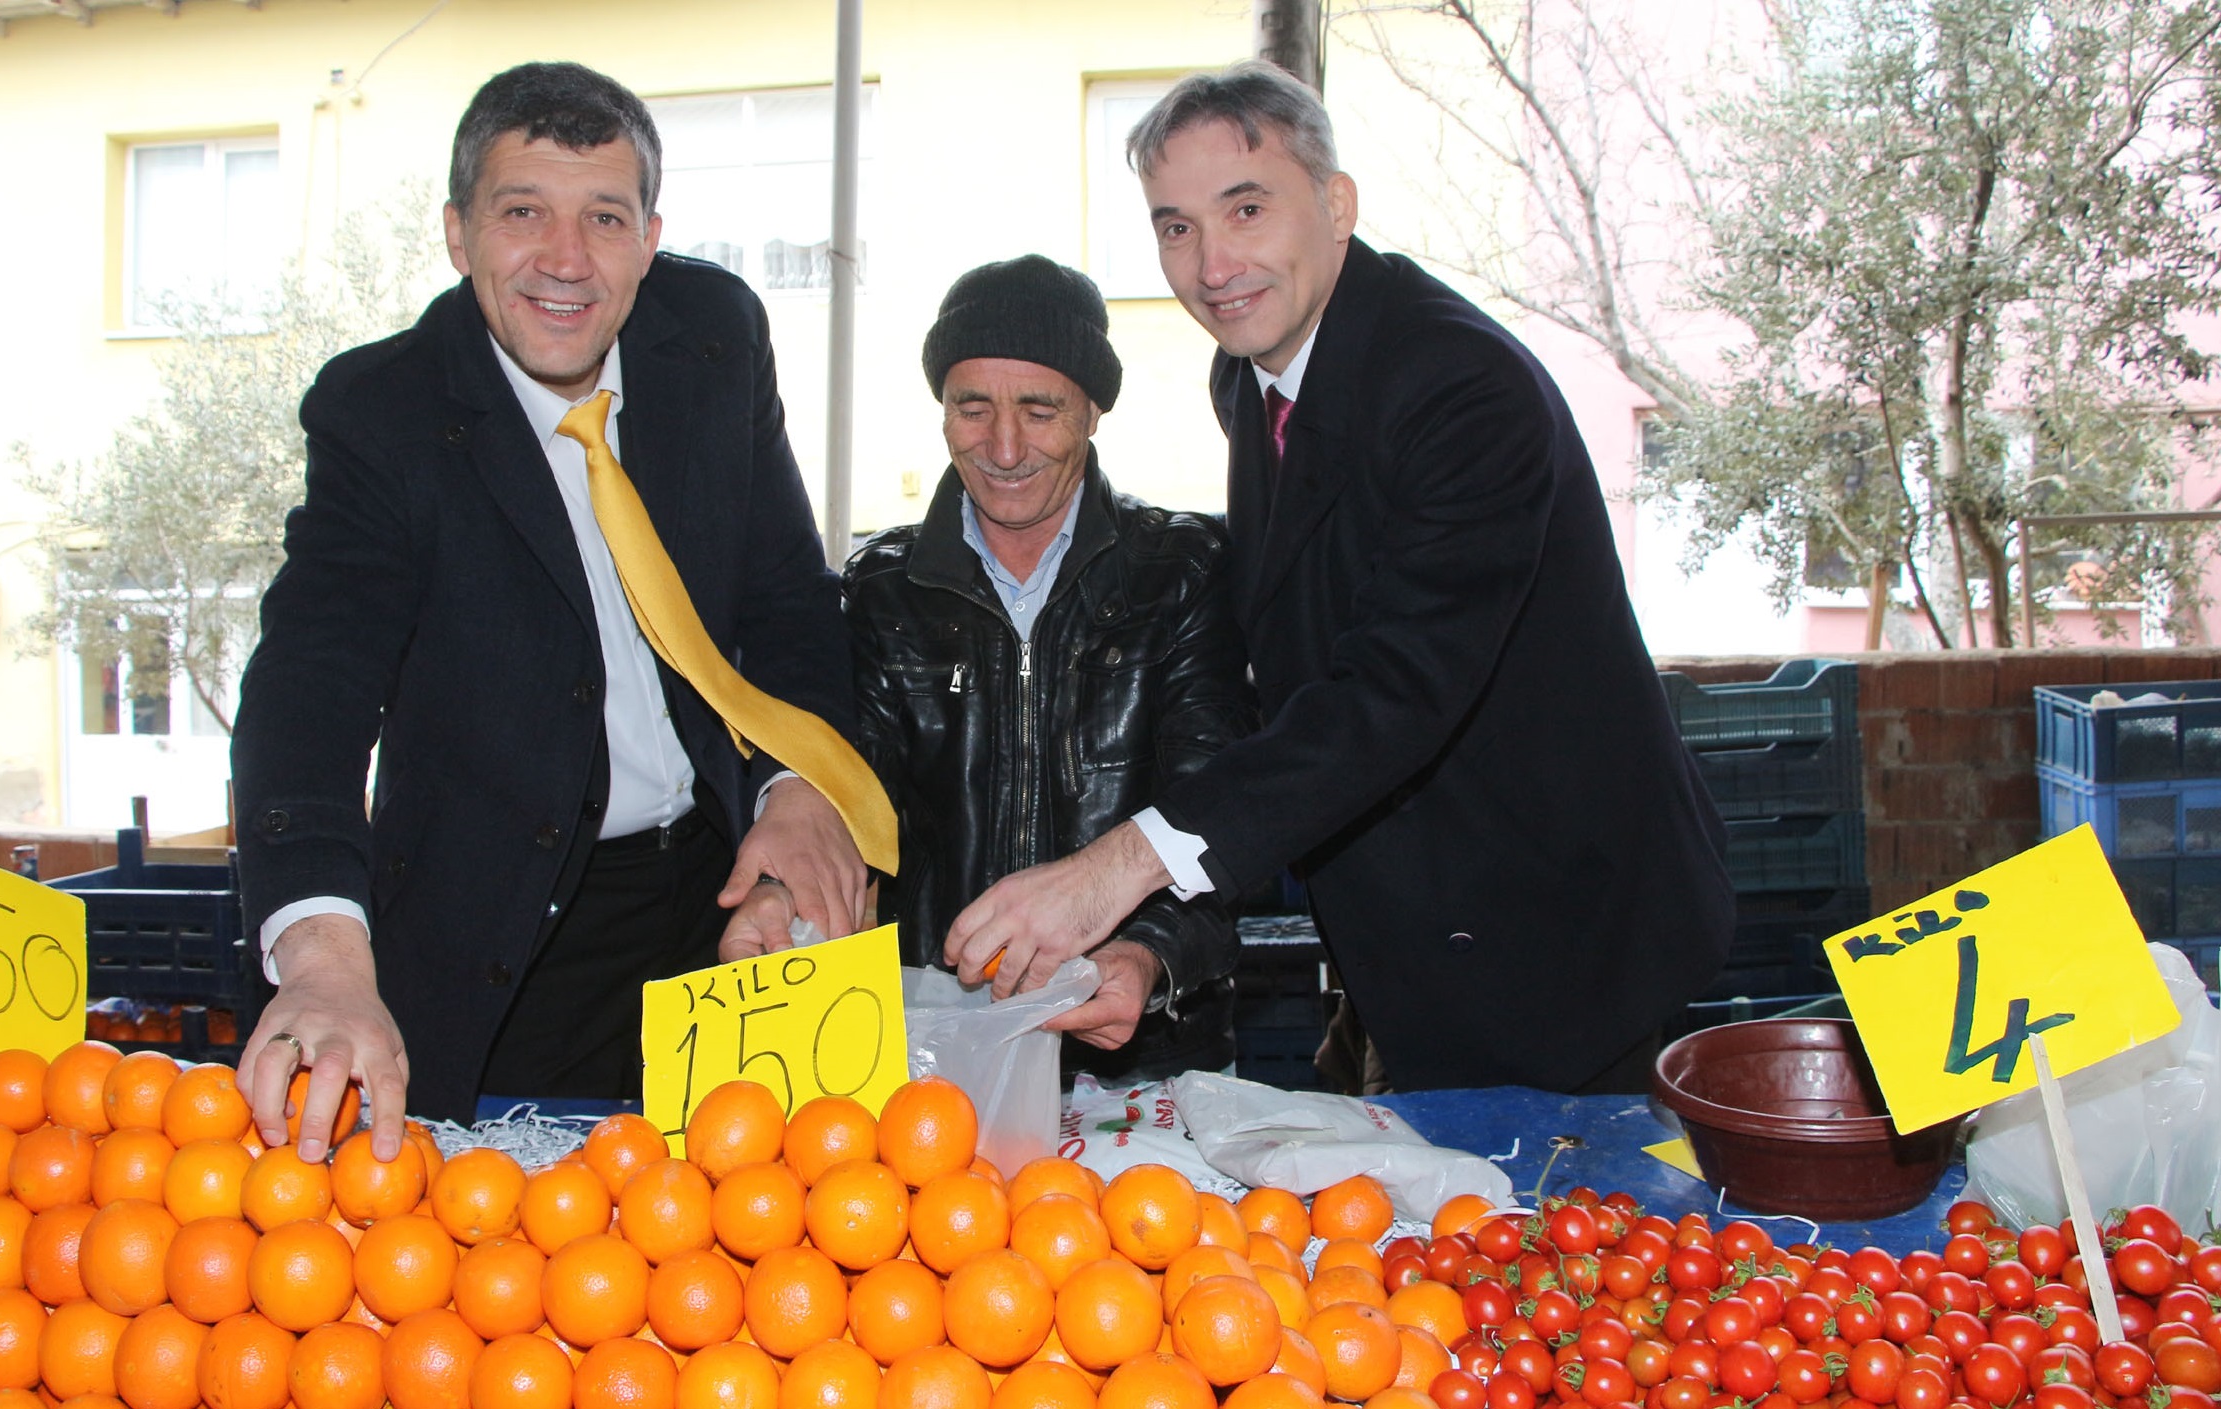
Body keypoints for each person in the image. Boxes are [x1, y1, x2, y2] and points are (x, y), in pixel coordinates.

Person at [942, 61, 1734, 1094]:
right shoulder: (1253, 370)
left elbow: (1393, 689)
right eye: (1175, 226)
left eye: (1247, 208)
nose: (1212, 262)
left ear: (1337, 204)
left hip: (1562, 932)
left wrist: (1119, 866)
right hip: (1406, 933)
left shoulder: (1461, 388)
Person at [229, 62, 888, 1154]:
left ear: (651, 234)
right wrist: (327, 959)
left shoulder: (714, 337)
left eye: (605, 218)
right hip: (504, 931)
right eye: (522, 212)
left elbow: (784, 597)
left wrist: (802, 787)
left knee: (779, 1247)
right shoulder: (381, 412)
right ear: (456, 232)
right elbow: (309, 695)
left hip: (726, 898)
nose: (567, 261)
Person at [722, 256, 1257, 1079]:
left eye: (1039, 409)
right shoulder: (881, 588)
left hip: (1142, 1061)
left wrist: (1147, 957)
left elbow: (1224, 813)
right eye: (973, 408)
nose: (1004, 447)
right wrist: (788, 899)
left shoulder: (1183, 571)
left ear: (1091, 411)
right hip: (939, 1054)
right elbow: (848, 802)